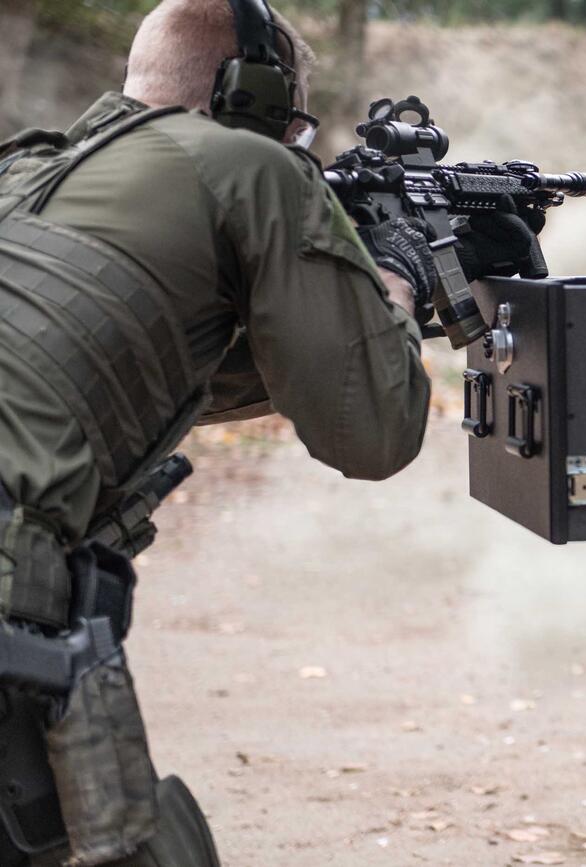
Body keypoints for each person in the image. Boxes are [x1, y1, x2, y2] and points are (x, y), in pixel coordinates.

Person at [0, 0, 536, 863]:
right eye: (296, 123)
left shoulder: (29, 174)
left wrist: (356, 313)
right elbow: (373, 432)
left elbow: (164, 375)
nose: (298, 143)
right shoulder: (253, 166)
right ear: (248, 93)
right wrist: (396, 273)